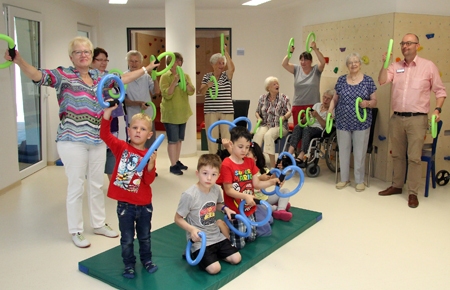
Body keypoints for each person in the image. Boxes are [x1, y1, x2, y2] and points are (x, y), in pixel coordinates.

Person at [4, 36, 159, 248]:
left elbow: (123, 78)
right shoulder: (63, 75)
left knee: (96, 183)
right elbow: (38, 75)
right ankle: (75, 230)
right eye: (79, 52)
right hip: (72, 139)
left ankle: (98, 223)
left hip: (97, 138)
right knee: (76, 185)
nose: (84, 55)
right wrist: (19, 61)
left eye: (87, 51)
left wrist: (146, 68)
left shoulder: (99, 76)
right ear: (72, 56)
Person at [378, 33, 446, 208]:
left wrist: (437, 109)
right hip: (397, 118)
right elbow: (382, 80)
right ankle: (397, 185)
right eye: (403, 43)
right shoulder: (395, 66)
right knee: (398, 155)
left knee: (414, 158)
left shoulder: (428, 66)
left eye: (409, 43)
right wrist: (384, 64)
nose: (405, 46)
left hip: (417, 119)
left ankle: (413, 193)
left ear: (417, 45)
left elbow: (440, 91)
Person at [100, 103, 158, 279]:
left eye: (142, 129)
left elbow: (148, 181)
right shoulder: (121, 147)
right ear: (128, 130)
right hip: (125, 205)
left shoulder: (149, 154)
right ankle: (129, 264)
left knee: (145, 236)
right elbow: (104, 134)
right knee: (126, 238)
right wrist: (108, 113)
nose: (138, 131)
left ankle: (147, 260)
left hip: (144, 205)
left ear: (149, 135)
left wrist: (151, 165)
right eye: (134, 128)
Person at [174, 154, 241, 274]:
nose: (209, 178)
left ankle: (212, 255)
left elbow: (218, 204)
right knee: (215, 269)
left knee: (236, 259)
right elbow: (178, 218)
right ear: (197, 173)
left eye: (213, 174)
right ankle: (194, 252)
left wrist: (226, 209)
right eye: (205, 173)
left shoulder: (216, 189)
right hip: (200, 240)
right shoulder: (189, 195)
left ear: (218, 176)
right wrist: (192, 230)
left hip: (215, 235)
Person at [216, 126, 280, 249]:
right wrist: (245, 196)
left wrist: (273, 182)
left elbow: (256, 184)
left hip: (250, 208)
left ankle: (229, 228)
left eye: (247, 147)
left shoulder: (249, 162)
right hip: (236, 211)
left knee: (251, 237)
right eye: (240, 147)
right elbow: (228, 189)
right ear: (231, 144)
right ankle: (223, 227)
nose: (244, 151)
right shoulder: (226, 164)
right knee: (239, 245)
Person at [328, 52, 377, 192]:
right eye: (350, 62)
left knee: (359, 152)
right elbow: (335, 99)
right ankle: (344, 179)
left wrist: (367, 103)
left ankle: (359, 180)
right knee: (343, 150)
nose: (353, 64)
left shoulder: (368, 80)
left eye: (356, 62)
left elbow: (375, 101)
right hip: (342, 121)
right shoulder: (342, 80)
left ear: (360, 64)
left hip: (361, 122)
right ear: (347, 66)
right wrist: (331, 110)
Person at [91, 47, 125, 180]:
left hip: (112, 119)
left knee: (112, 150)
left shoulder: (111, 77)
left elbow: (120, 91)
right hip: (95, 121)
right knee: (97, 154)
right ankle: (95, 183)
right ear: (92, 61)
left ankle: (113, 183)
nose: (103, 63)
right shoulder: (88, 78)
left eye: (106, 60)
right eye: (100, 60)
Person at [159, 52, 195, 175]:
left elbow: (191, 91)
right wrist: (174, 81)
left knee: (179, 140)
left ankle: (177, 161)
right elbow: (166, 94)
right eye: (175, 61)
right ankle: (173, 165)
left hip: (182, 113)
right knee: (172, 141)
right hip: (170, 113)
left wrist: (185, 81)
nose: (178, 64)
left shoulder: (185, 76)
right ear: (169, 63)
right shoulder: (165, 77)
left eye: (179, 61)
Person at [199, 47, 235, 154]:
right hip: (211, 111)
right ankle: (213, 159)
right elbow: (202, 92)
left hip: (226, 110)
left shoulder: (226, 75)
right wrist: (207, 86)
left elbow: (232, 69)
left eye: (223, 63)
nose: (221, 66)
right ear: (213, 65)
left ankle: (226, 159)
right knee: (212, 137)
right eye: (219, 63)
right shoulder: (207, 76)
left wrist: (226, 54)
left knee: (226, 137)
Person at [282, 41, 326, 126]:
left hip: (313, 105)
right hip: (298, 104)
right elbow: (284, 64)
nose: (303, 62)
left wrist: (315, 49)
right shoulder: (296, 69)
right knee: (298, 129)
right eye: (301, 60)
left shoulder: (316, 70)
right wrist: (289, 53)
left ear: (311, 61)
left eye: (306, 60)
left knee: (309, 130)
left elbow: (323, 62)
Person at [123, 50, 160, 150]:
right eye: (131, 61)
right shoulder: (124, 77)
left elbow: (156, 91)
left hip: (148, 115)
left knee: (151, 145)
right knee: (135, 146)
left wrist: (155, 76)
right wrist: (138, 104)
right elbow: (123, 99)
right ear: (128, 62)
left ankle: (150, 165)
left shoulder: (146, 76)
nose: (134, 64)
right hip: (132, 117)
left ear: (141, 63)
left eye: (136, 61)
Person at [287, 89, 334, 165]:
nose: (325, 100)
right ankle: (289, 153)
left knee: (306, 129)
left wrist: (317, 116)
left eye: (328, 99)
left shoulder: (331, 111)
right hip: (309, 125)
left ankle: (302, 155)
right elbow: (303, 122)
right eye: (324, 97)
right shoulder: (317, 105)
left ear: (332, 100)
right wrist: (306, 117)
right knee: (298, 127)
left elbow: (326, 126)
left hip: (320, 129)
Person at [253, 76, 292, 168]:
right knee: (257, 136)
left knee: (268, 135)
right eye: (274, 84)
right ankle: (255, 163)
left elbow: (289, 111)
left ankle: (272, 164)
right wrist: (258, 118)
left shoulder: (284, 98)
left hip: (279, 125)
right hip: (266, 124)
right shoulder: (262, 98)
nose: (277, 85)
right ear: (268, 87)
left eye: (277, 83)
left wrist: (284, 117)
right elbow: (257, 112)